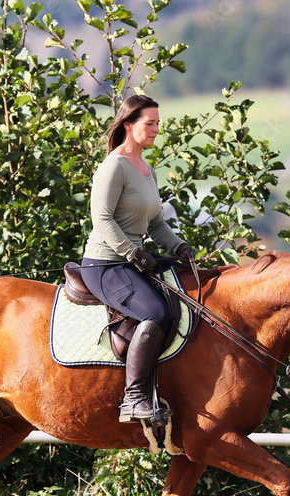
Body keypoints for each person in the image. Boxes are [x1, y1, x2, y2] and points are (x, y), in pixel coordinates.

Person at [80, 94, 195, 422]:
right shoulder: (114, 166)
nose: (157, 129)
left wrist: (179, 248)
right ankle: (133, 399)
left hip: (132, 261)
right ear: (129, 125)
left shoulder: (147, 170)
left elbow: (156, 223)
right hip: (105, 264)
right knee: (156, 313)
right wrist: (132, 252)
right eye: (150, 123)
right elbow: (101, 219)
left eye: (158, 123)